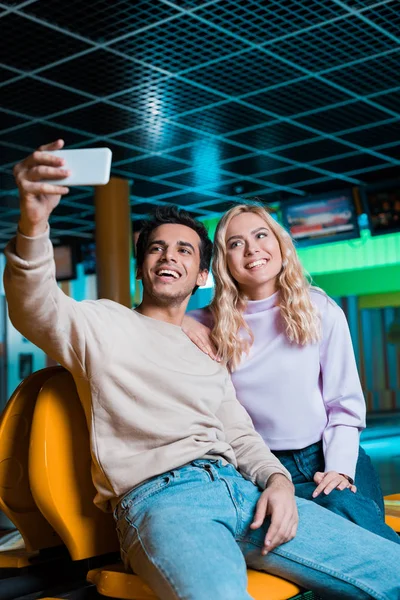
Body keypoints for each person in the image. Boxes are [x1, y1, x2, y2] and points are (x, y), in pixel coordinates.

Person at [4, 140, 400, 600]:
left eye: (185, 251)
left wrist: (276, 482)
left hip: (243, 487)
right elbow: (35, 304)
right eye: (157, 249)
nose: (169, 256)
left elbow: (241, 432)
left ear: (201, 276)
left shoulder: (210, 348)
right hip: (163, 500)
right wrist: (34, 222)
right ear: (142, 267)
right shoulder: (101, 325)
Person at [184, 203, 399, 544]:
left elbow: (344, 403)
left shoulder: (320, 309)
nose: (252, 248)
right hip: (262, 468)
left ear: (280, 244)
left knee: (363, 532)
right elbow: (145, 319)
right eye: (236, 243)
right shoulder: (207, 322)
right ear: (224, 262)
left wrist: (339, 467)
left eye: (260, 235)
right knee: (338, 546)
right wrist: (180, 319)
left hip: (327, 454)